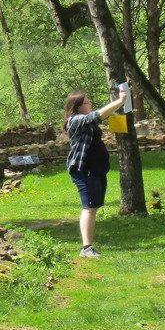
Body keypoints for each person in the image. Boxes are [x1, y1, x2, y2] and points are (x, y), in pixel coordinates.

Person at [63, 87, 127, 258]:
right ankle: (86, 248)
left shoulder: (85, 121)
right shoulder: (74, 120)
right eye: (86, 102)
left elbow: (98, 118)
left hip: (96, 169)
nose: (90, 104)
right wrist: (120, 102)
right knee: (89, 208)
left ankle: (88, 246)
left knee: (93, 207)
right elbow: (97, 115)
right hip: (84, 170)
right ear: (76, 106)